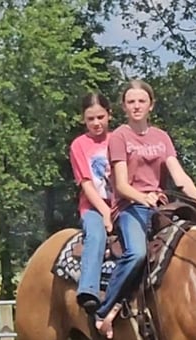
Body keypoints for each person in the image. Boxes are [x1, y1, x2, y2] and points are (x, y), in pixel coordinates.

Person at [94, 79, 196, 339]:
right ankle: (104, 310)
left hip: (161, 207)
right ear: (124, 107)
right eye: (131, 102)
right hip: (130, 207)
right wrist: (143, 197)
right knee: (137, 253)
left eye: (141, 101)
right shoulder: (119, 137)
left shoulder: (161, 137)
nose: (136, 106)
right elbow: (121, 184)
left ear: (151, 105)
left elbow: (180, 177)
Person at [69, 92, 114, 314]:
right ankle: (88, 288)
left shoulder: (118, 140)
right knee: (96, 235)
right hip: (93, 207)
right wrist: (105, 211)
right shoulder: (79, 145)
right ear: (83, 120)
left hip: (120, 203)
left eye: (100, 117)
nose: (96, 123)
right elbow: (86, 183)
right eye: (90, 119)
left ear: (109, 115)